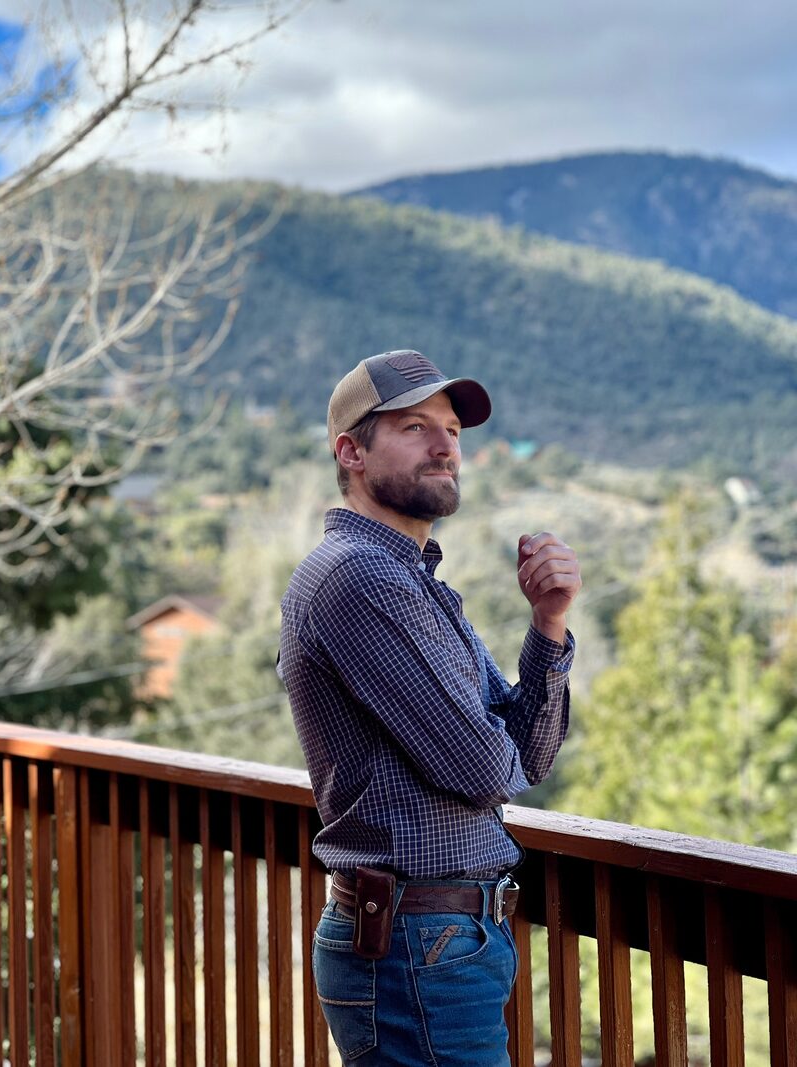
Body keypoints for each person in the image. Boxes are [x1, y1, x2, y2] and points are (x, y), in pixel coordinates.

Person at [278, 350, 581, 1066]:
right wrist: (493, 740)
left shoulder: (411, 578)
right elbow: (485, 768)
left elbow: (525, 758)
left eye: (451, 427)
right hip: (417, 946)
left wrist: (548, 622)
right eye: (415, 427)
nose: (446, 444)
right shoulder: (360, 579)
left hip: (440, 940)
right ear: (350, 451)